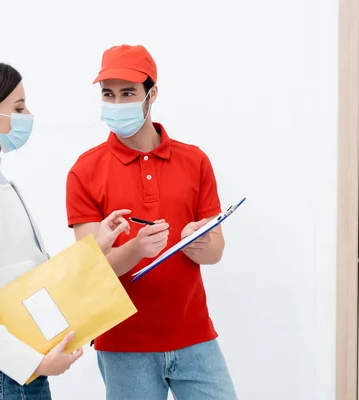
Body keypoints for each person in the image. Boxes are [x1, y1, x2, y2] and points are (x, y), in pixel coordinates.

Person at [0, 60, 131, 400]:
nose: (28, 116)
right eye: (19, 107)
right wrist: (34, 363)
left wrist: (95, 247)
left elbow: (30, 274)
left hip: (20, 367)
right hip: (8, 371)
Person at [66, 45, 238, 400]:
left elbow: (216, 250)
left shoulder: (195, 161)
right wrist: (135, 249)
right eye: (108, 94)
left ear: (152, 93)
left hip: (195, 337)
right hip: (123, 343)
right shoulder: (85, 171)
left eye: (128, 93)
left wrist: (201, 244)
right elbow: (89, 269)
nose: (117, 103)